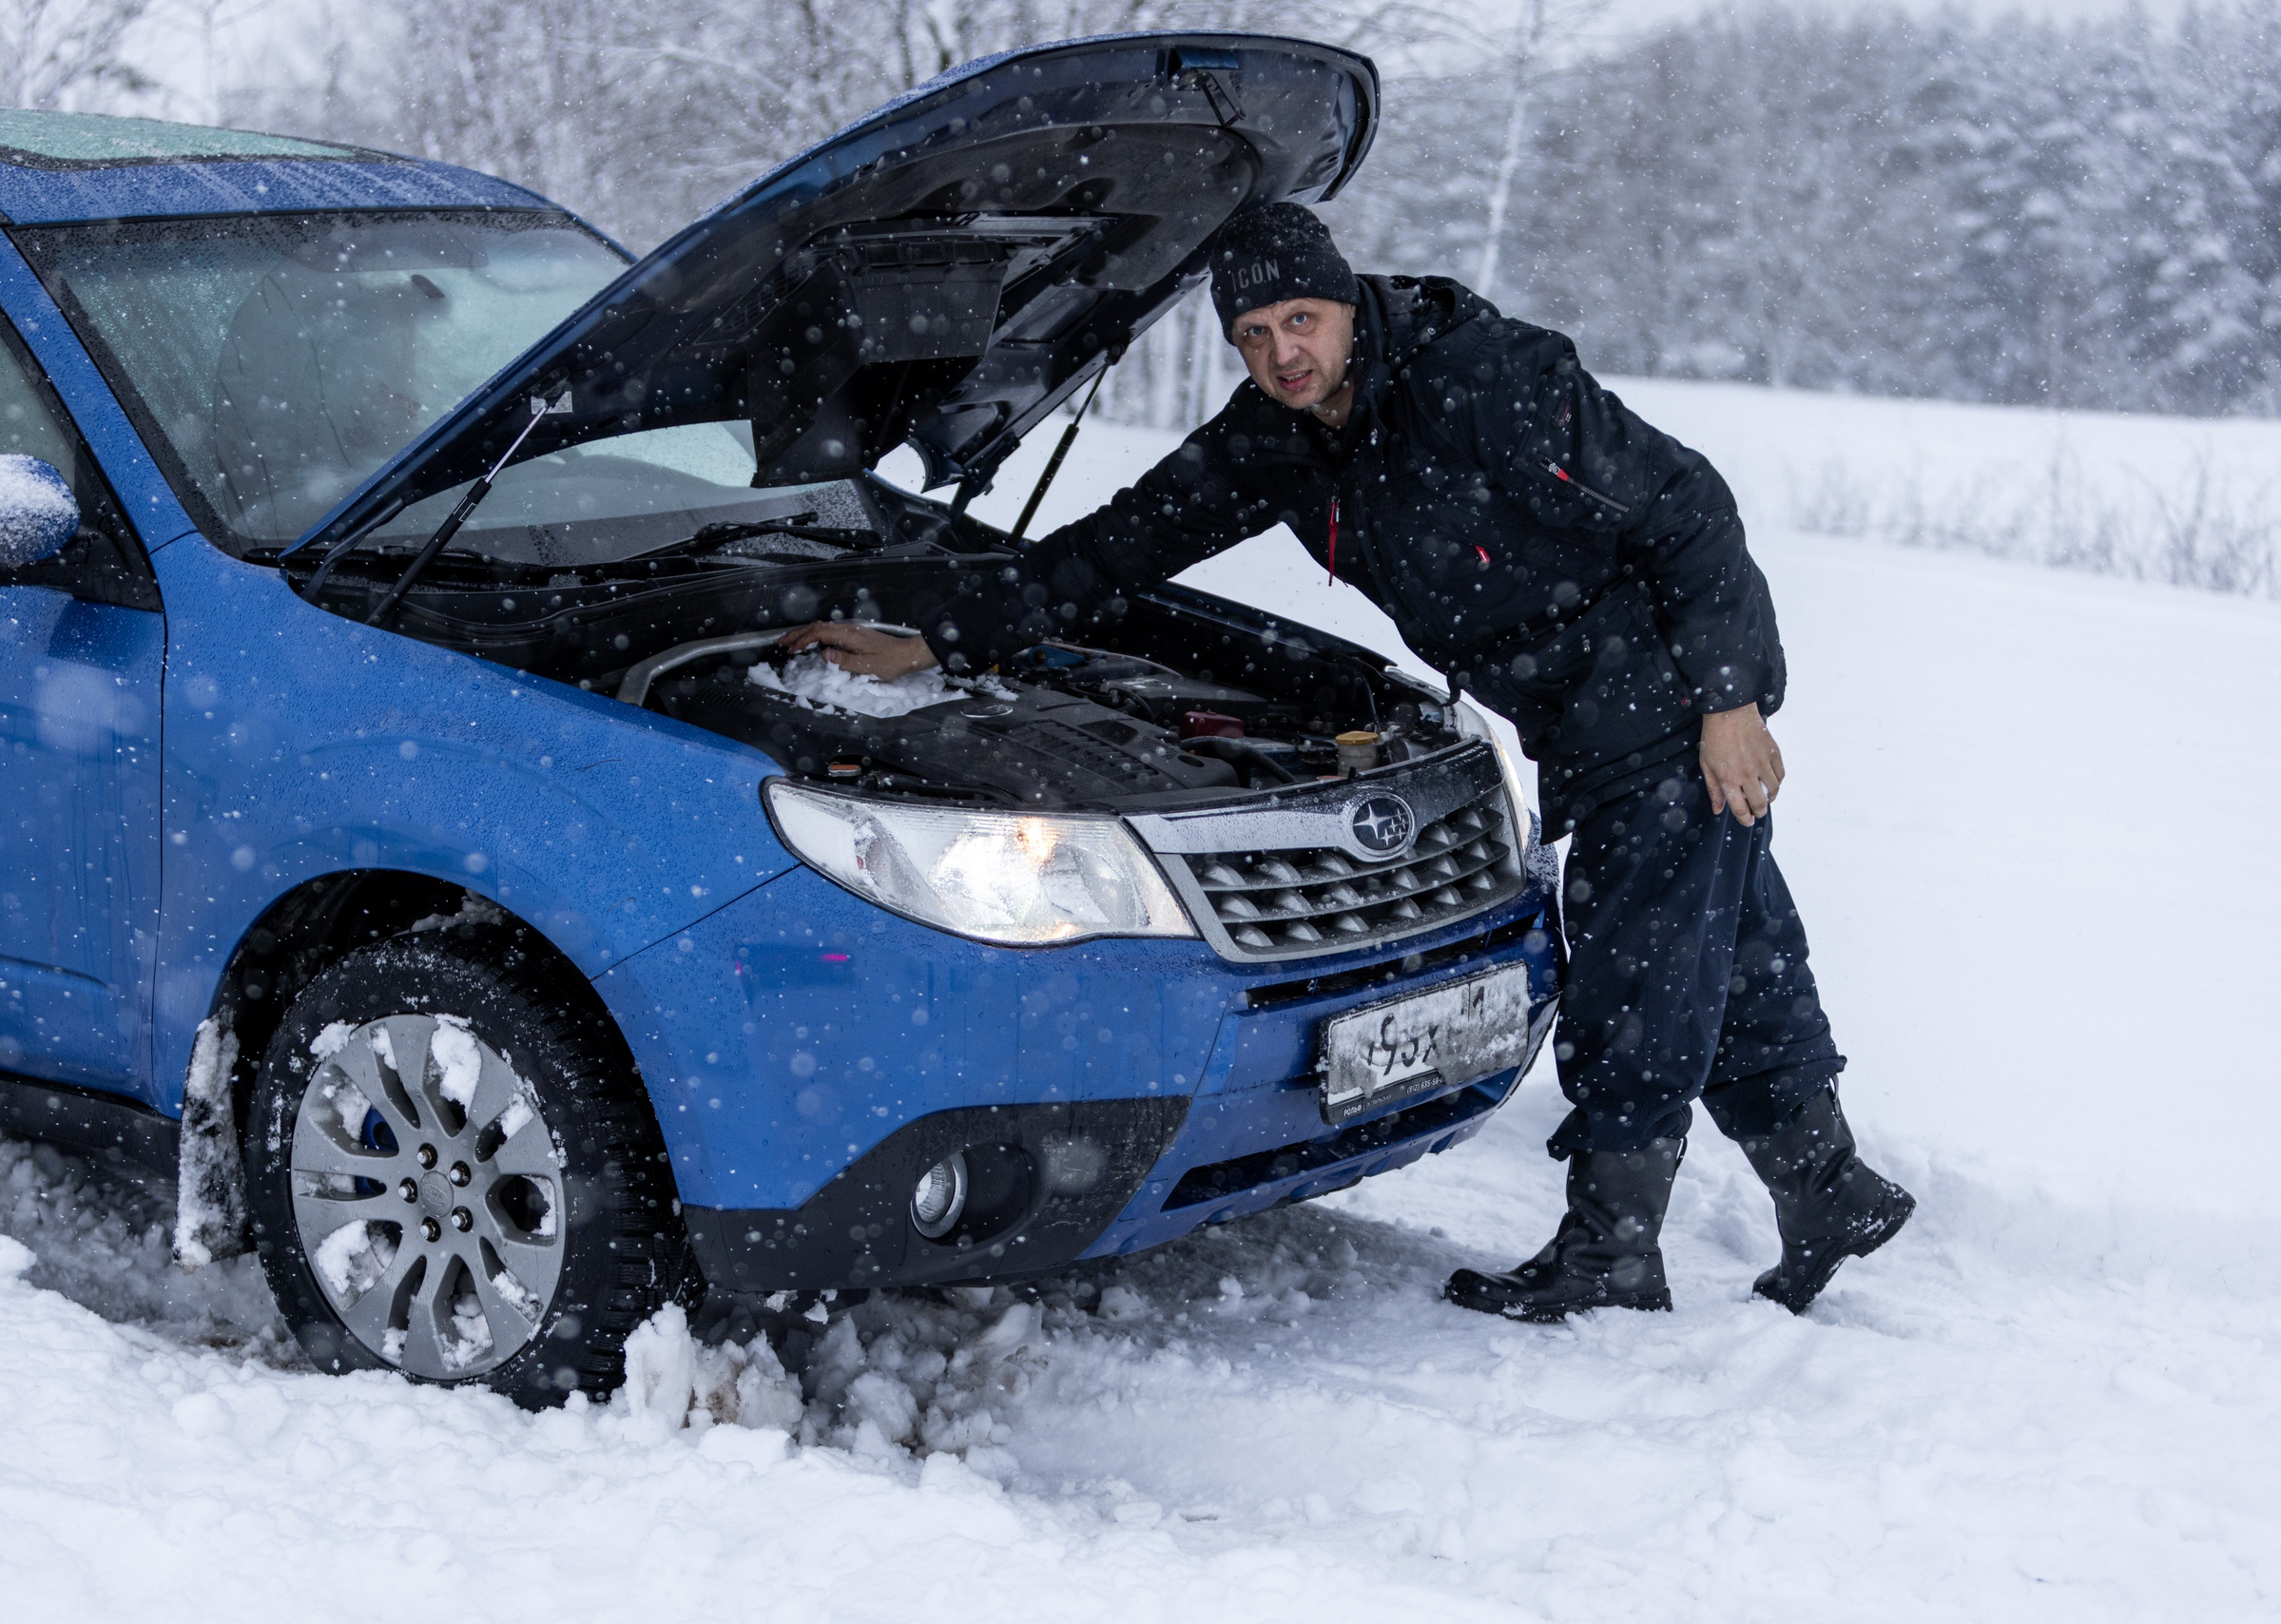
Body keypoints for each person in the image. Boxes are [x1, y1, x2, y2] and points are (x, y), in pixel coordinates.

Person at [783, 203, 1914, 1321]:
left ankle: (1613, 1250)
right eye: (1254, 334)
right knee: (1735, 954)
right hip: (1580, 713)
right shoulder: (1272, 439)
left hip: (1658, 700)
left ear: (1346, 304)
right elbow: (1113, 551)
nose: (1283, 351)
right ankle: (1826, 1188)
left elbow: (1687, 507)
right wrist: (932, 641)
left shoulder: (1485, 378)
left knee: (1640, 971)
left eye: (1302, 319)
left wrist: (1730, 698)